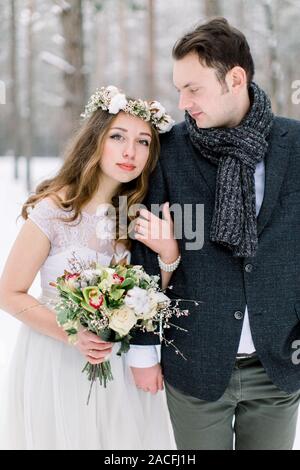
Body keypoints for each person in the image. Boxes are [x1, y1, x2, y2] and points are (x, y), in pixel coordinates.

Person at [129, 18, 300, 450]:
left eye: (194, 88)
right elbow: (145, 250)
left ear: (235, 79)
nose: (183, 102)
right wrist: (144, 350)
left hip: (278, 363)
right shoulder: (169, 150)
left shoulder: (295, 146)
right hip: (195, 363)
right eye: (179, 88)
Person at [0, 86, 178, 450]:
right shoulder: (55, 209)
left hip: (121, 366)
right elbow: (8, 292)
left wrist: (168, 252)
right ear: (95, 139)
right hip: (56, 360)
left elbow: (152, 295)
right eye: (118, 137)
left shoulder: (137, 215)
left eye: (144, 142)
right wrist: (73, 335)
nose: (131, 151)